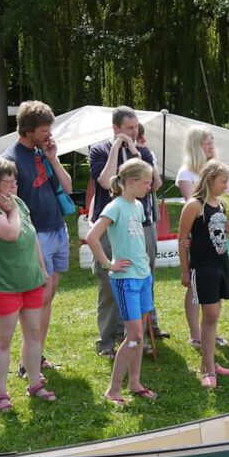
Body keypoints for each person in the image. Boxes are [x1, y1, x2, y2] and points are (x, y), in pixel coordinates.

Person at [0, 158, 54, 410]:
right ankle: (1, 394)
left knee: (33, 332)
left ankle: (34, 383)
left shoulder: (18, 202)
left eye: (14, 180)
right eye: (9, 181)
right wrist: (14, 211)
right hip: (2, 284)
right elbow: (11, 233)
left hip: (29, 280)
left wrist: (42, 270)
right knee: (3, 339)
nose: (15, 185)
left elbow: (31, 237)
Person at [1, 101, 72, 373]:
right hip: (37, 235)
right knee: (37, 299)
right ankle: (27, 360)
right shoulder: (11, 159)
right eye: (44, 130)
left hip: (57, 229)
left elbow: (66, 187)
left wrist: (53, 156)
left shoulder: (43, 153)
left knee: (49, 295)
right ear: (28, 130)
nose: (48, 134)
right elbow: (7, 202)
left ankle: (37, 354)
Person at [84, 158, 159, 405]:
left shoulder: (137, 206)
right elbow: (92, 237)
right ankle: (113, 389)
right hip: (125, 279)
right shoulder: (114, 206)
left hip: (143, 276)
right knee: (134, 336)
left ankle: (135, 383)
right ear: (131, 182)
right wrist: (108, 264)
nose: (150, 187)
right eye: (146, 182)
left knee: (139, 335)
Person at [89, 106, 160, 358]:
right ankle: (106, 340)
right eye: (129, 128)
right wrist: (117, 149)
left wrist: (136, 153)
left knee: (143, 275)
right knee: (111, 282)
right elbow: (106, 181)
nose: (135, 131)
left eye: (136, 126)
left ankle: (143, 331)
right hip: (112, 225)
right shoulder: (99, 150)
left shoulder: (141, 152)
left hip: (144, 223)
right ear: (116, 128)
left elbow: (156, 185)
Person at [177, 159, 229, 387]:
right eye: (223, 181)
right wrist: (184, 271)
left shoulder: (219, 204)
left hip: (221, 265)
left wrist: (227, 227)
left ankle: (209, 363)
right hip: (203, 268)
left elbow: (215, 232)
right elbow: (183, 239)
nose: (226, 186)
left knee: (214, 316)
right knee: (209, 316)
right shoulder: (194, 205)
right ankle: (208, 369)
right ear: (210, 179)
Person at [175, 125, 229, 349]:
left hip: (217, 243)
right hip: (200, 246)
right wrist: (185, 266)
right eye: (207, 142)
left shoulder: (218, 171)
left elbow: (220, 205)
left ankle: (210, 329)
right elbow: (197, 209)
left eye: (212, 142)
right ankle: (196, 333)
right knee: (195, 289)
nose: (211, 146)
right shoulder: (187, 174)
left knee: (215, 289)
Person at [134, 122, 170, 340]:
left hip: (147, 222)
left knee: (149, 275)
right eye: (138, 137)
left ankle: (152, 324)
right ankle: (131, 329)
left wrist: (145, 156)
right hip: (130, 226)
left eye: (140, 137)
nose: (142, 141)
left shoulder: (146, 154)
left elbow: (156, 185)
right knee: (134, 278)